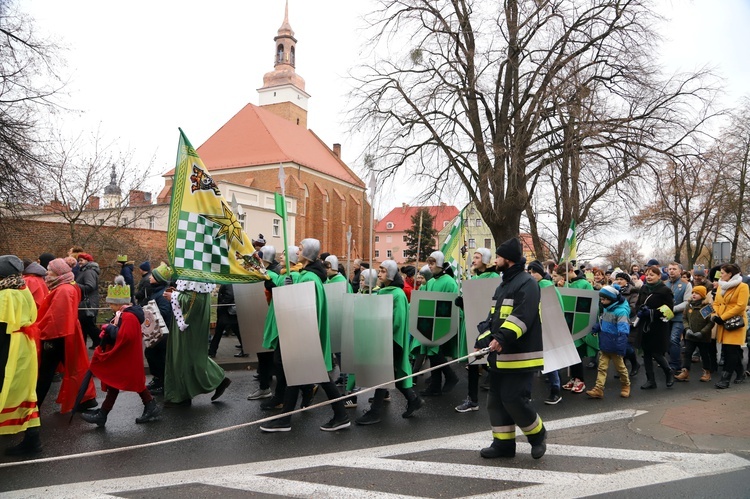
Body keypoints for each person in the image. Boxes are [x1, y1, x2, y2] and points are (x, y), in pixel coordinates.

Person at [259, 238, 349, 432]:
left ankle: (341, 415)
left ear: (307, 253)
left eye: (300, 249)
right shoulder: (306, 275)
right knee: (298, 376)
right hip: (304, 333)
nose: (296, 252)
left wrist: (291, 289)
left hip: (307, 334)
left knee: (320, 377)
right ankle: (286, 419)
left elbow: (306, 308)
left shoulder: (310, 278)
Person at [474, 238, 546, 460]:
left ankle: (538, 435)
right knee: (495, 401)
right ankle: (503, 445)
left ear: (507, 259)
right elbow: (493, 318)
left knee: (514, 399)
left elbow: (522, 316)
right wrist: (483, 339)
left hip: (520, 356)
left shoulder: (528, 283)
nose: (495, 260)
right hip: (499, 356)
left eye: (498, 256)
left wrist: (502, 337)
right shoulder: (504, 284)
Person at [81, 276, 161, 427]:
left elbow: (126, 337)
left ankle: (148, 405)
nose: (110, 306)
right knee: (117, 384)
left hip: (126, 356)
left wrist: (110, 329)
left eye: (111, 304)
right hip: (126, 356)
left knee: (128, 383)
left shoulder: (129, 316)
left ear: (118, 304)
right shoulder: (123, 314)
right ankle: (104, 414)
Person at [355, 260, 423, 424]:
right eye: (379, 271)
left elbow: (397, 322)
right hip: (383, 338)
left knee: (383, 374)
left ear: (391, 274)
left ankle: (375, 412)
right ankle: (414, 400)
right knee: (392, 374)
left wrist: (382, 333)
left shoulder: (397, 294)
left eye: (383, 271)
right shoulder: (383, 292)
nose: (379, 274)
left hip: (392, 340)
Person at [36, 258, 97, 413]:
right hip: (66, 333)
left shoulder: (63, 289)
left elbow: (57, 318)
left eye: (50, 270)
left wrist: (42, 333)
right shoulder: (66, 286)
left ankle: (34, 406)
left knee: (46, 372)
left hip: (58, 336)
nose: (47, 273)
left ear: (58, 272)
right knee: (74, 367)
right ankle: (87, 399)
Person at [163, 278, 231, 406]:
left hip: (188, 323)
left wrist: (173, 296)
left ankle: (183, 395)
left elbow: (193, 301)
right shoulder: (195, 276)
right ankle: (183, 393)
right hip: (189, 322)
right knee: (190, 355)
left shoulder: (194, 277)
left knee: (187, 356)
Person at [1, 255, 42, 456]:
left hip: (11, 347)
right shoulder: (22, 288)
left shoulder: (6, 295)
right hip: (25, 344)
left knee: (7, 389)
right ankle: (33, 439)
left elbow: (2, 327)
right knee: (25, 392)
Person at [455, 248, 499, 413]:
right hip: (473, 324)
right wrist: (463, 303)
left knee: (492, 362)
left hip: (488, 326)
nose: (473, 259)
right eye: (474, 256)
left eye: (477, 257)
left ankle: (508, 394)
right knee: (473, 363)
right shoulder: (474, 278)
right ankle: (472, 400)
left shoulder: (495, 278)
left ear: (485, 260)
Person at [418, 251, 460, 397]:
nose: (430, 266)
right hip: (430, 323)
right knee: (432, 354)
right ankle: (436, 386)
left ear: (440, 264)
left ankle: (450, 376)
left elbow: (453, 304)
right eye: (429, 263)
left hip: (442, 322)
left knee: (435, 352)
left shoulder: (449, 282)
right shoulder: (430, 282)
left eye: (433, 263)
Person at [585, 285, 631, 399]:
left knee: (620, 368)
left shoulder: (621, 312)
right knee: (602, 368)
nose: (602, 301)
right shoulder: (607, 308)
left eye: (604, 299)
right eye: (601, 299)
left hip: (615, 346)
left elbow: (623, 331)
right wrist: (597, 327)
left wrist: (621, 347)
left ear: (612, 299)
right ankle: (598, 389)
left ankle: (626, 385)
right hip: (605, 343)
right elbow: (603, 321)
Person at [633, 265, 675, 390]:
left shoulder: (665, 290)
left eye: (652, 275)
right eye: (647, 274)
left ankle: (668, 372)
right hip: (644, 325)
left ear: (659, 276)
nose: (649, 277)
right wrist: (640, 309)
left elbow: (669, 310)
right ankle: (650, 380)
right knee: (646, 353)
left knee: (656, 353)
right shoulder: (644, 288)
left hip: (658, 326)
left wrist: (652, 312)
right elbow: (638, 303)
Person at [527, 260, 563, 405]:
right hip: (537, 328)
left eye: (533, 272)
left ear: (539, 273)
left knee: (548, 361)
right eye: (529, 272)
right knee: (533, 361)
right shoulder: (536, 286)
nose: (530, 275)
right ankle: (527, 393)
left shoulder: (546, 288)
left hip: (545, 328)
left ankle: (555, 391)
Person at [557, 263, 595, 393]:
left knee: (577, 353)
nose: (563, 278)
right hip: (567, 323)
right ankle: (574, 378)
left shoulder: (585, 284)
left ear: (571, 270)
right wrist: (560, 288)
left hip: (579, 323)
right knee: (570, 353)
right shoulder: (566, 284)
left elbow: (590, 304)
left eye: (564, 275)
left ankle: (580, 380)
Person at [712, 263, 749, 388]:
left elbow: (741, 306)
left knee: (730, 350)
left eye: (722, 273)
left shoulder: (742, 286)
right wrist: (717, 314)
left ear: (730, 274)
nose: (720, 275)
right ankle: (740, 372)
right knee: (730, 350)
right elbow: (716, 302)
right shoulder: (721, 286)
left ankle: (725, 379)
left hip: (735, 322)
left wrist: (723, 317)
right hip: (722, 322)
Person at [143, 263, 173, 395]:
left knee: (157, 357)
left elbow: (165, 312)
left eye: (153, 276)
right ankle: (157, 379)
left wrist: (150, 313)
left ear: (159, 279)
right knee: (151, 354)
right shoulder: (157, 291)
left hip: (161, 333)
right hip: (157, 332)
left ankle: (162, 382)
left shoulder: (162, 294)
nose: (150, 277)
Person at [674, 286, 713, 382]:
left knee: (704, 354)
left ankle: (707, 372)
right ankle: (685, 371)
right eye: (693, 293)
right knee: (687, 353)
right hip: (690, 335)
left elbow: (710, 322)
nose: (694, 295)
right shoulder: (689, 305)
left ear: (703, 295)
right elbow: (684, 318)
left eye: (697, 293)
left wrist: (702, 332)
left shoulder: (706, 307)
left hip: (703, 336)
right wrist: (687, 329)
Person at [664, 263, 692, 372]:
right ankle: (671, 360)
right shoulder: (664, 284)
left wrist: (673, 309)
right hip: (665, 317)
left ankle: (675, 364)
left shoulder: (686, 284)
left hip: (679, 317)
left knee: (674, 339)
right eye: (670, 269)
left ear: (680, 271)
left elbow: (687, 302)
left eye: (674, 269)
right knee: (666, 340)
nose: (671, 271)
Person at [614, 272, 641, 377]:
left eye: (621, 279)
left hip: (629, 322)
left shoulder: (633, 292)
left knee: (626, 346)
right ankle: (622, 369)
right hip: (616, 321)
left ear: (627, 280)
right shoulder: (615, 291)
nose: (619, 281)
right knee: (619, 346)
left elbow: (633, 308)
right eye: (617, 279)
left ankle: (635, 364)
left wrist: (619, 312)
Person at [75, 253, 101, 348]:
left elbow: (90, 286)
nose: (79, 262)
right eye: (79, 260)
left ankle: (100, 341)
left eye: (81, 260)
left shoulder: (89, 272)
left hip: (88, 304)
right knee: (86, 325)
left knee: (88, 325)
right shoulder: (84, 271)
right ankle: (95, 342)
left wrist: (75, 285)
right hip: (86, 303)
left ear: (88, 261)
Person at [208, 284, 241, 358]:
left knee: (219, 332)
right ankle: (212, 351)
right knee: (235, 330)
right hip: (229, 312)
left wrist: (222, 305)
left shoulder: (227, 283)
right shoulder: (230, 282)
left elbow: (230, 295)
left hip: (226, 312)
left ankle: (212, 351)